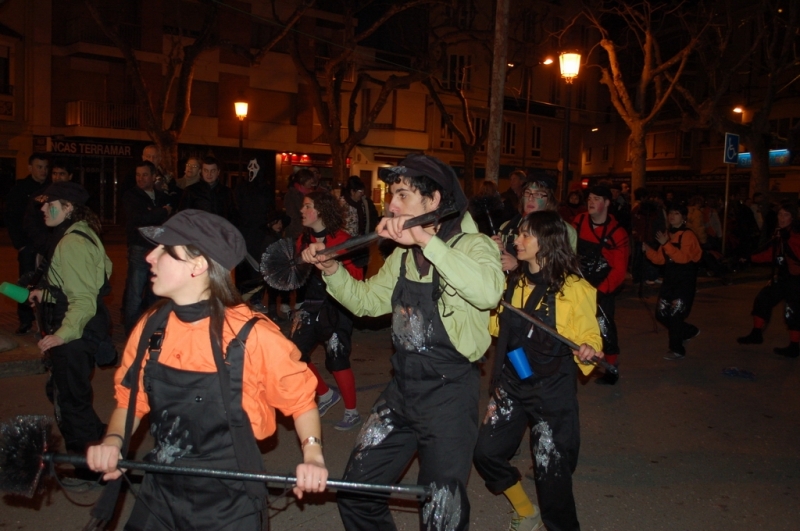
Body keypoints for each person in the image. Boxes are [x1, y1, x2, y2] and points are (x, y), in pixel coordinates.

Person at [86, 210, 327, 529]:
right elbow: (131, 398)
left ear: (198, 266)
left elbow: (300, 401)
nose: (150, 256)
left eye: (165, 250)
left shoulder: (253, 335)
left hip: (230, 501)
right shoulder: (151, 326)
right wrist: (114, 441)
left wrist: (313, 456)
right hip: (161, 493)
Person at [301, 153, 504, 531]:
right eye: (391, 195)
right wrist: (332, 269)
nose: (391, 205)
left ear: (434, 200)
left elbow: (487, 293)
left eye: (403, 195)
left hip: (448, 397)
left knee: (441, 513)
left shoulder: (474, 246)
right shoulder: (403, 257)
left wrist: (427, 240)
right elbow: (366, 302)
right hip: (402, 392)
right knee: (356, 493)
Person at [473, 210, 602, 531]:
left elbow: (589, 339)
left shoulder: (575, 289)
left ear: (546, 242)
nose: (517, 239)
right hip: (513, 385)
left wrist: (588, 350)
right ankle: (525, 511)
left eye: (526, 234)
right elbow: (494, 327)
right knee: (486, 453)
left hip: (552, 392)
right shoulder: (512, 283)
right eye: (519, 233)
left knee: (551, 474)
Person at [28, 182, 112, 471]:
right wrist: (46, 294)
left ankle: (89, 468)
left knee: (70, 403)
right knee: (64, 393)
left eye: (50, 202)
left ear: (68, 207)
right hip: (81, 326)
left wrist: (62, 336)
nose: (42, 207)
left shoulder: (73, 241)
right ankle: (99, 439)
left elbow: (84, 298)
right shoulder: (78, 233)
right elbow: (85, 281)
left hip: (76, 329)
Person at [291, 190, 364, 430]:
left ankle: (352, 411)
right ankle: (325, 394)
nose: (302, 211)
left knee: (337, 357)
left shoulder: (343, 240)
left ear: (321, 211)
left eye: (308, 206)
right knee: (294, 353)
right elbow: (299, 282)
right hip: (311, 306)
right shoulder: (302, 241)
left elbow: (358, 277)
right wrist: (297, 311)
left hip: (337, 306)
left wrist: (334, 264)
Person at [572, 185, 629, 385]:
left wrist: (599, 292)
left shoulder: (617, 233)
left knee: (605, 328)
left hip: (602, 288)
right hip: (578, 284)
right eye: (589, 198)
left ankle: (611, 368)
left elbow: (620, 271)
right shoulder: (579, 221)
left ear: (606, 203)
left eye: (597, 198)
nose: (591, 202)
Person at [737, 202, 800, 358]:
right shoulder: (780, 232)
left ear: (792, 217)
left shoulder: (796, 233)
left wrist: (788, 239)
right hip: (783, 276)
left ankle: (794, 346)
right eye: (780, 214)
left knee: (793, 311)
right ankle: (756, 333)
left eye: (786, 215)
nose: (782, 218)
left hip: (797, 278)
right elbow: (772, 253)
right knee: (763, 299)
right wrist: (750, 258)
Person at [643, 204, 703, 360]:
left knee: (675, 316)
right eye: (670, 213)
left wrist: (666, 244)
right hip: (669, 281)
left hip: (684, 282)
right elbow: (661, 259)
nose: (672, 216)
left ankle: (677, 349)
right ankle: (688, 331)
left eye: (676, 213)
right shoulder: (667, 234)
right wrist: (648, 250)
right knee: (661, 314)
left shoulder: (688, 235)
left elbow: (683, 258)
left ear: (683, 217)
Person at [121, 160, 172, 335]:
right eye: (138, 175)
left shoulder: (162, 196)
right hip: (139, 248)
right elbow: (139, 218)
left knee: (155, 292)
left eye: (144, 175)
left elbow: (164, 222)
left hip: (158, 250)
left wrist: (156, 214)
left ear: (153, 176)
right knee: (135, 293)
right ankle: (132, 333)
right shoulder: (131, 196)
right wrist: (162, 212)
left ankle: (152, 330)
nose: (140, 178)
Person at [4, 153, 50, 335]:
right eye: (39, 167)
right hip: (27, 245)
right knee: (25, 281)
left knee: (47, 282)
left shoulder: (51, 188)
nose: (43, 171)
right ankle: (25, 319)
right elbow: (11, 217)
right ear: (30, 168)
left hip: (45, 244)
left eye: (46, 167)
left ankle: (44, 319)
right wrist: (20, 244)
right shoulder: (20, 189)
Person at [496, 177, 577, 274]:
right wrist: (494, 251)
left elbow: (564, 271)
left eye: (538, 194)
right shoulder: (506, 227)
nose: (530, 198)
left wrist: (518, 266)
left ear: (549, 200)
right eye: (527, 193)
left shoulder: (564, 230)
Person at [341, 175, 380, 276]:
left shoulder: (363, 203)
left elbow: (370, 218)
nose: (362, 195)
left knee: (361, 268)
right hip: (345, 244)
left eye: (363, 192)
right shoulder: (341, 204)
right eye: (359, 192)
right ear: (352, 191)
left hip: (360, 242)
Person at [179, 156, 236, 222]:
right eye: (206, 170)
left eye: (213, 171)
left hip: (219, 231)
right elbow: (183, 216)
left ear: (218, 172)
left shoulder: (227, 193)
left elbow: (233, 217)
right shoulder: (190, 191)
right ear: (201, 172)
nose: (209, 174)